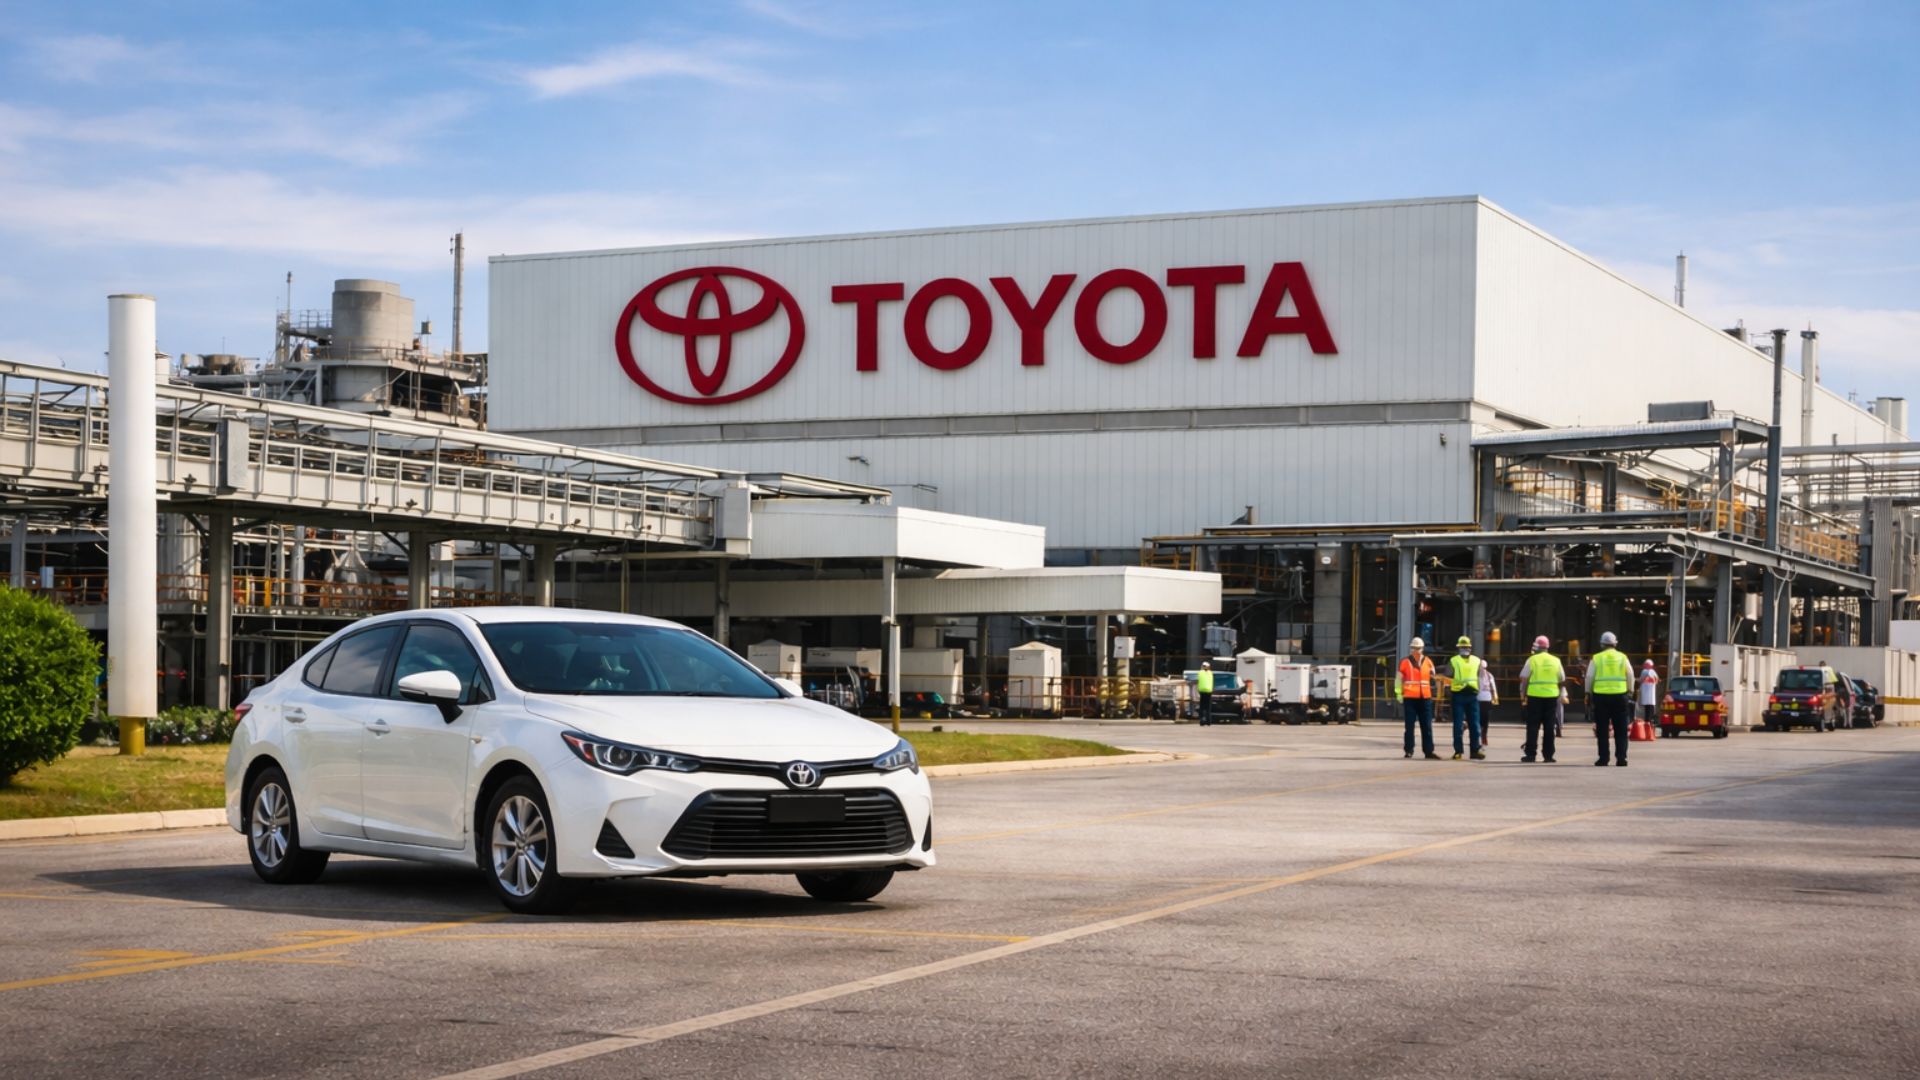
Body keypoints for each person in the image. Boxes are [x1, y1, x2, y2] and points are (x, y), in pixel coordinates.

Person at [1586, 631, 1635, 767]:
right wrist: (1630, 690)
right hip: (1620, 695)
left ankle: (1603, 758)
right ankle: (1621, 758)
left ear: (1602, 644)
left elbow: (1589, 676)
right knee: (1621, 729)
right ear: (1615, 644)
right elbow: (1630, 674)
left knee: (1602, 729)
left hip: (1601, 696)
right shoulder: (1622, 657)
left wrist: (1588, 692)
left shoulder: (1596, 658)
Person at [1518, 635, 1565, 763]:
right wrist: (1560, 693)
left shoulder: (1532, 660)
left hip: (1534, 697)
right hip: (1551, 697)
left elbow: (1524, 678)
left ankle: (1531, 754)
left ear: (1536, 647)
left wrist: (1523, 694)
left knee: (1533, 726)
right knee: (1549, 727)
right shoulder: (1556, 660)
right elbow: (1562, 678)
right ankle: (1548, 755)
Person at [1395, 636, 1441, 760]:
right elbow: (1398, 679)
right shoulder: (1404, 662)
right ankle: (1409, 750)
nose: (1416, 650)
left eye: (1418, 648)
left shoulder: (1428, 662)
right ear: (1411, 649)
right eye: (1414, 648)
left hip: (1425, 697)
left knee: (1427, 726)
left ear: (1422, 649)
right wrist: (1398, 693)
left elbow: (1434, 677)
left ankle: (1428, 751)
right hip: (1410, 698)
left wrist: (1437, 692)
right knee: (1409, 726)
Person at [1447, 635, 1487, 760]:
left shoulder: (1454, 660)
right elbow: (1481, 677)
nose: (1465, 649)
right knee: (1470, 724)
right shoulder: (1475, 660)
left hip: (1464, 695)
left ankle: (1465, 751)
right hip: (1465, 695)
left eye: (1465, 647)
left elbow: (1447, 676)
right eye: (1464, 647)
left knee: (1466, 725)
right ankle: (1468, 751)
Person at [1477, 656, 1500, 746]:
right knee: (1483, 719)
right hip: (1482, 700)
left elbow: (1493, 687)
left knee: (1483, 720)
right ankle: (1482, 736)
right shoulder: (1488, 675)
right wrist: (1495, 698)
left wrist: (1495, 698)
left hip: (1484, 700)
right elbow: (1493, 688)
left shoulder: (1486, 675)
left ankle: (1483, 735)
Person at [1638, 660, 1660, 725]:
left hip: (1648, 692)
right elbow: (1657, 680)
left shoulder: (1645, 671)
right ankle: (1650, 720)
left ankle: (1648, 720)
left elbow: (1641, 680)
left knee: (1648, 707)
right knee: (1650, 707)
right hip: (1649, 693)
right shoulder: (1651, 672)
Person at [1196, 661, 1214, 727]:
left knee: (1202, 706)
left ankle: (1202, 721)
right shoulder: (1211, 673)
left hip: (1202, 691)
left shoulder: (1200, 672)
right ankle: (1208, 721)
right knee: (1208, 707)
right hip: (1209, 691)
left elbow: (1198, 680)